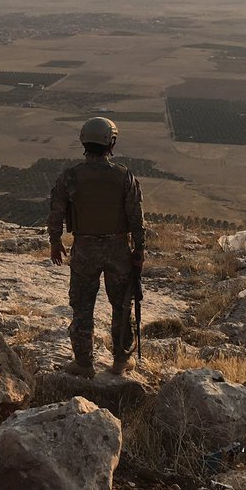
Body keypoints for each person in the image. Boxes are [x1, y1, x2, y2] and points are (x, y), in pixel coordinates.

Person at [47, 117, 145, 378]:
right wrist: (140, 250)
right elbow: (136, 217)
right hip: (118, 250)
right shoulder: (124, 176)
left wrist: (55, 241)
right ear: (111, 143)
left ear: (84, 141)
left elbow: (56, 210)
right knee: (122, 306)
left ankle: (83, 363)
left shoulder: (71, 177)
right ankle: (121, 361)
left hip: (84, 250)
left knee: (82, 307)